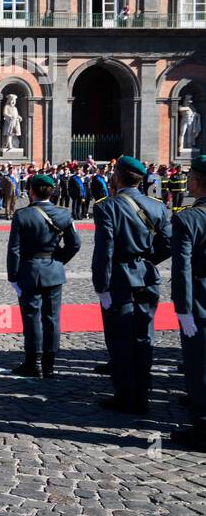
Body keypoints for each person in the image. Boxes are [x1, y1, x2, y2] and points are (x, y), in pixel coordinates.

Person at [92, 156, 172, 416]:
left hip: (119, 278)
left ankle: (125, 394)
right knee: (144, 336)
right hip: (147, 277)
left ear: (117, 176)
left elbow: (105, 249)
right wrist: (146, 261)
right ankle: (142, 394)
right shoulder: (158, 207)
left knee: (120, 338)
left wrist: (101, 286)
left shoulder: (108, 207)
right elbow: (168, 244)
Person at [7, 173, 81, 379]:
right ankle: (49, 364)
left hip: (30, 271)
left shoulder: (22, 215)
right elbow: (75, 244)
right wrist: (59, 260)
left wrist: (13, 276)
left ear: (31, 191)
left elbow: (14, 250)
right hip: (54, 270)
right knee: (52, 318)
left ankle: (34, 362)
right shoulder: (64, 215)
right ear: (53, 192)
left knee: (32, 318)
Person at [171, 156, 206, 451]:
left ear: (194, 182)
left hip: (201, 300)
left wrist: (182, 308)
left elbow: (182, 268)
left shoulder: (188, 219)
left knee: (198, 365)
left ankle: (202, 428)